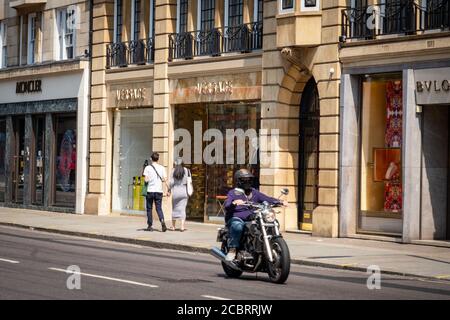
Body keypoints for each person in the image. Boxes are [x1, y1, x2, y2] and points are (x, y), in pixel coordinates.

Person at [223, 168, 288, 261]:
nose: (247, 182)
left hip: (252, 217)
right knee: (237, 226)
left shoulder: (254, 192)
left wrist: (280, 202)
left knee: (273, 222)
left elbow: (267, 199)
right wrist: (234, 203)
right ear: (238, 181)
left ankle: (269, 244)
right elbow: (227, 204)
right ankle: (232, 249)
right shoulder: (233, 193)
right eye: (244, 180)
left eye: (249, 179)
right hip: (237, 218)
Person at [143, 152, 168, 232]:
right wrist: (168, 189)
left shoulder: (147, 168)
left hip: (150, 191)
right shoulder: (162, 168)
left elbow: (146, 179)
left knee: (149, 208)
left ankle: (150, 226)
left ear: (151, 159)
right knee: (159, 208)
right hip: (159, 191)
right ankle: (162, 221)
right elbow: (165, 179)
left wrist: (147, 178)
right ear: (158, 159)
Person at [168, 158, 190, 232]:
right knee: (182, 209)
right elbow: (188, 181)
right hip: (184, 191)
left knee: (174, 208)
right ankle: (182, 227)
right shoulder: (186, 170)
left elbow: (171, 183)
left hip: (176, 191)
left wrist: (169, 190)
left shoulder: (173, 171)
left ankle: (173, 226)